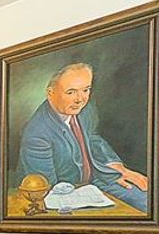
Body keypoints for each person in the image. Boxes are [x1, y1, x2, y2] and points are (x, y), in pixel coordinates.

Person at [19, 62, 149, 212]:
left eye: (86, 90)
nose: (80, 99)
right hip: (67, 192)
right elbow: (47, 189)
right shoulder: (36, 134)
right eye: (71, 92)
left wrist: (117, 168)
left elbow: (92, 138)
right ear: (50, 93)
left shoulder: (86, 109)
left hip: (98, 177)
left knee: (147, 200)